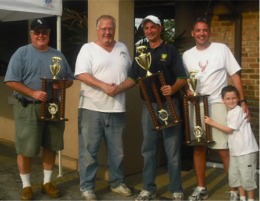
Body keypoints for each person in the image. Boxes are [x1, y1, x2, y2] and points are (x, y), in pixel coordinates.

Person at [117, 15, 187, 201]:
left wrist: (172, 88)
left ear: (160, 28)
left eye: (153, 27)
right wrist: (116, 88)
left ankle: (176, 189)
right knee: (148, 150)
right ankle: (148, 188)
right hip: (148, 107)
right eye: (146, 28)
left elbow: (183, 78)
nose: (149, 30)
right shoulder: (141, 52)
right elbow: (133, 78)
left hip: (170, 105)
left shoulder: (171, 51)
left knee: (172, 151)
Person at [4, 18, 74, 200]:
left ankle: (47, 182)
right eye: (37, 32)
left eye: (44, 32)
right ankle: (26, 186)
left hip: (53, 106)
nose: (41, 35)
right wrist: (33, 93)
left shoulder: (57, 55)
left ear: (49, 34)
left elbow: (69, 79)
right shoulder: (22, 53)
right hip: (29, 107)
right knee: (26, 149)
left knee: (51, 145)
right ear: (31, 34)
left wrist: (62, 84)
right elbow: (11, 80)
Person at [182, 17, 250, 201]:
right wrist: (188, 90)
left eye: (205, 30)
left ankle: (234, 190)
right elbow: (185, 81)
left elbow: (235, 76)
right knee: (199, 148)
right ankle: (201, 187)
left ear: (209, 32)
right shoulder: (187, 55)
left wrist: (242, 101)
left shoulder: (221, 49)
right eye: (198, 30)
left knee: (223, 150)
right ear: (193, 33)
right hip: (196, 105)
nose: (201, 33)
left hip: (218, 104)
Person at [74, 15, 132, 201]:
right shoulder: (88, 49)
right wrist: (104, 86)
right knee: (89, 151)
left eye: (110, 28)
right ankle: (87, 187)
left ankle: (116, 182)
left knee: (118, 151)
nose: (107, 32)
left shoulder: (122, 48)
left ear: (114, 29)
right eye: (104, 29)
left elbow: (131, 75)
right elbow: (81, 74)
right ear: (97, 30)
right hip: (92, 108)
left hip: (117, 108)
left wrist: (119, 88)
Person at [204, 85, 258, 201]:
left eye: (234, 98)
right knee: (237, 177)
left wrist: (212, 122)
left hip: (246, 151)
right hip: (235, 151)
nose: (231, 101)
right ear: (223, 100)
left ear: (238, 98)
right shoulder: (230, 112)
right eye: (228, 99)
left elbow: (229, 130)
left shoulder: (238, 111)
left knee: (247, 178)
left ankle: (251, 199)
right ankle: (242, 197)